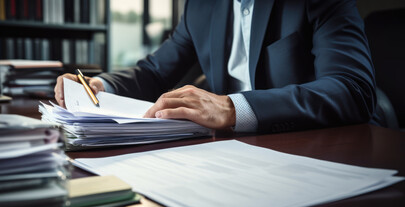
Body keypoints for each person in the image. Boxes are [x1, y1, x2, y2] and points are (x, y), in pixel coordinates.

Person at [55, 0, 376, 134]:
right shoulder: (201, 6)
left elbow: (352, 89)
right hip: (228, 152)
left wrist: (232, 108)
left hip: (313, 144)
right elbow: (155, 72)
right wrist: (101, 85)